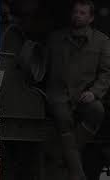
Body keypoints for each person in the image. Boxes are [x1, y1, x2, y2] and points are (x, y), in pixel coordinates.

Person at [45, 1, 110, 179]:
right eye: (75, 12)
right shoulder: (55, 38)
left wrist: (95, 92)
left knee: (97, 110)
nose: (77, 15)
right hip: (58, 93)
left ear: (91, 18)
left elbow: (106, 73)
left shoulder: (102, 41)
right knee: (62, 117)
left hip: (85, 93)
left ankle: (61, 156)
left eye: (82, 13)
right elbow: (44, 67)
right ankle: (77, 173)